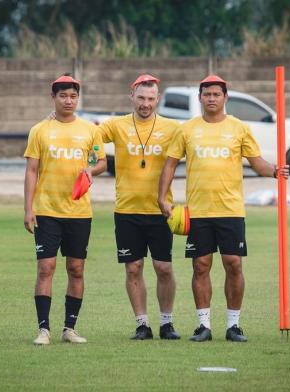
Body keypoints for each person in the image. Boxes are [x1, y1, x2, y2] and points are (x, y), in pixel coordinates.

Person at [158, 75, 289, 342]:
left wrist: (276, 171)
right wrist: (163, 197)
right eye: (207, 94)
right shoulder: (187, 129)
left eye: (217, 94)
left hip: (231, 210)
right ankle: (203, 326)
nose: (212, 98)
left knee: (234, 265)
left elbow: (256, 162)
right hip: (199, 211)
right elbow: (170, 164)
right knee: (201, 265)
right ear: (200, 98)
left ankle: (233, 326)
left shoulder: (238, 128)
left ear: (225, 97)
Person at [24, 74, 107, 345]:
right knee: (46, 268)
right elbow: (31, 171)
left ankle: (69, 329)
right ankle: (43, 330)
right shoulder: (40, 130)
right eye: (63, 96)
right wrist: (28, 209)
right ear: (53, 97)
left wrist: (91, 169)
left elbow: (101, 162)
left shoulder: (90, 130)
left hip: (79, 213)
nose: (68, 100)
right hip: (47, 211)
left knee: (76, 269)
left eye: (73, 96)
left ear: (78, 98)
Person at [98, 74, 181, 340]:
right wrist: (57, 117)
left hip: (160, 210)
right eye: (141, 98)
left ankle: (166, 323)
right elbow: (86, 135)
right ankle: (142, 324)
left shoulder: (172, 128)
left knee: (163, 268)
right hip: (127, 211)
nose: (145, 103)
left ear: (157, 99)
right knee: (133, 268)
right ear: (131, 96)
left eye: (150, 98)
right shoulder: (117, 125)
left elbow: (197, 146)